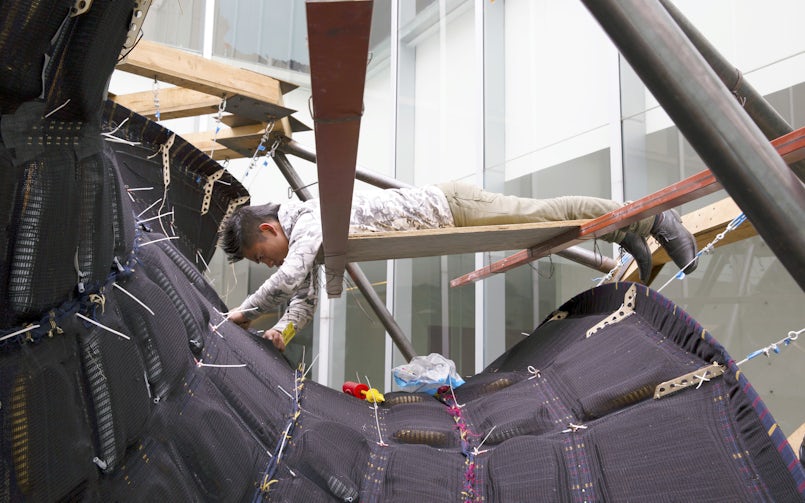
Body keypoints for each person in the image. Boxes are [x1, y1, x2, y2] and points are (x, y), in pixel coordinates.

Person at [219, 181, 697, 350]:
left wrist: (242, 313)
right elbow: (301, 296)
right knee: (550, 222)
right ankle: (629, 233)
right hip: (447, 208)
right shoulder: (304, 239)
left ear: (268, 231)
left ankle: (655, 217)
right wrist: (281, 333)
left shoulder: (306, 216)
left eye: (263, 257)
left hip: (452, 206)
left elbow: (289, 276)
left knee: (546, 216)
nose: (270, 265)